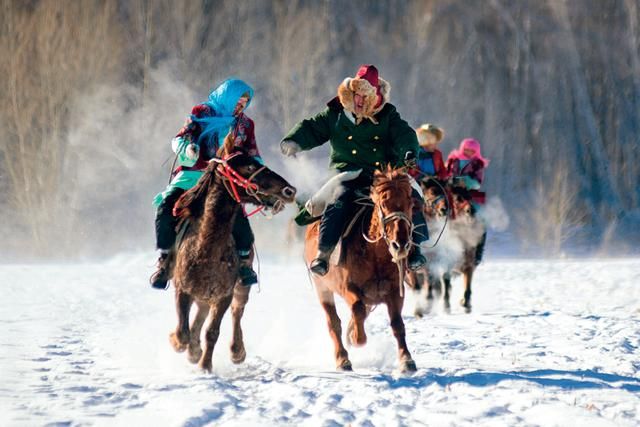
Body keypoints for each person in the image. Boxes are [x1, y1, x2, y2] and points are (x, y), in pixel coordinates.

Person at [280, 64, 428, 275]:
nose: (358, 100)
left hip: (382, 175)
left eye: (364, 96)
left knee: (411, 196)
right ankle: (323, 254)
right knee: (338, 198)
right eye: (355, 95)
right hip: (348, 173)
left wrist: (409, 152)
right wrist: (294, 140)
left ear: (375, 95)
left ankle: (416, 250)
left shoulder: (387, 115)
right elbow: (314, 127)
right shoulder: (337, 113)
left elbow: (405, 135)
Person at [150, 78, 262, 289]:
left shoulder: (246, 125)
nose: (241, 105)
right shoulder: (202, 112)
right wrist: (188, 148)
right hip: (194, 176)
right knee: (167, 207)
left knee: (239, 218)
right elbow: (181, 138)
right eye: (239, 100)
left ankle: (244, 264)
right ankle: (165, 260)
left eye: (245, 102)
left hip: (225, 180)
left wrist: (261, 181)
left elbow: (253, 155)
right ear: (228, 97)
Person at [446, 138, 489, 265]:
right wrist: (450, 180)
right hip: (451, 193)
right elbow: (445, 174)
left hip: (470, 195)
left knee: (481, 221)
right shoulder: (453, 160)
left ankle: (478, 252)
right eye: (466, 150)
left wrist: (464, 181)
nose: (469, 152)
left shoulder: (477, 164)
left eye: (472, 150)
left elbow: (477, 183)